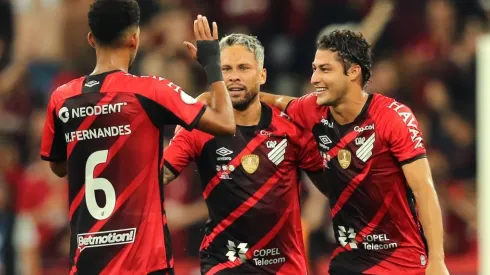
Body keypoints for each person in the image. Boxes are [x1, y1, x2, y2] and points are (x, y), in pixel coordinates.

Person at [39, 0, 235, 274]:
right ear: (135, 39)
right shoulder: (150, 91)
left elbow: (58, 167)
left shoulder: (62, 98)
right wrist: (212, 62)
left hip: (87, 265)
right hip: (145, 264)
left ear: (91, 38)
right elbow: (226, 123)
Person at [259, 30, 450, 275]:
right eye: (314, 68)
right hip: (348, 261)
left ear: (353, 72)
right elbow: (276, 101)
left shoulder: (393, 117)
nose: (315, 78)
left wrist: (437, 259)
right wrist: (220, 94)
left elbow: (423, 189)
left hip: (401, 261)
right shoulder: (313, 109)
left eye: (325, 69)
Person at [163, 33, 324, 275]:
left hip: (284, 267)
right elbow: (160, 174)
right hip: (224, 264)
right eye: (225, 69)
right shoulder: (200, 127)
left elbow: (332, 184)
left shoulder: (290, 126)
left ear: (262, 75)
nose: (234, 76)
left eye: (243, 67)